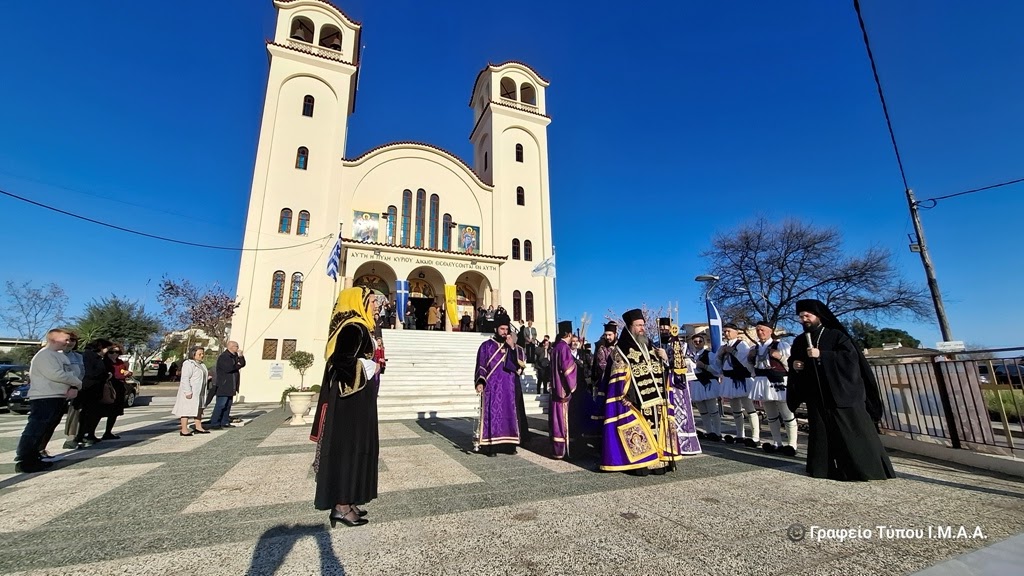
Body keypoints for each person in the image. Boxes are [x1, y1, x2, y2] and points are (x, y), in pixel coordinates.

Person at [788, 299, 895, 481]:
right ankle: (822, 469)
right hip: (817, 394)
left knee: (852, 433)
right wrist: (795, 364)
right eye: (800, 316)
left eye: (807, 315)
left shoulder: (836, 335)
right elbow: (795, 361)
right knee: (821, 434)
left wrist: (823, 355)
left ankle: (862, 470)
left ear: (818, 316)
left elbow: (850, 360)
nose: (804, 319)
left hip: (842, 393)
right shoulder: (800, 340)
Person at [310, 287, 380, 527]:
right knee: (348, 448)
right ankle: (340, 506)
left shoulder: (361, 326)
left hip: (358, 400)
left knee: (358, 446)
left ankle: (349, 500)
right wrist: (366, 367)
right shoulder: (353, 327)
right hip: (350, 403)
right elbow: (340, 361)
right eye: (372, 301)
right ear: (359, 302)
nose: (377, 305)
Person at [600, 309, 681, 475]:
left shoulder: (650, 345)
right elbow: (619, 376)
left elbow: (660, 371)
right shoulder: (620, 349)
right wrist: (628, 396)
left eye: (643, 325)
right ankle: (642, 462)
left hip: (657, 399)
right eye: (638, 325)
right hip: (635, 400)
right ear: (630, 327)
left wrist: (665, 359)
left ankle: (660, 460)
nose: (642, 328)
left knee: (659, 428)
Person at [15, 329, 82, 473]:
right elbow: (57, 374)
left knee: (45, 427)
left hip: (58, 396)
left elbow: (72, 373)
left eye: (70, 340)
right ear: (53, 340)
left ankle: (35, 455)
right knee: (36, 427)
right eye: (65, 339)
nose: (68, 342)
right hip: (44, 397)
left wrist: (74, 383)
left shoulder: (60, 356)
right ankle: (25, 459)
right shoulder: (44, 355)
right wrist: (77, 383)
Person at [473, 310, 522, 456]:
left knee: (509, 414)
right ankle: (491, 446)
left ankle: (508, 445)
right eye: (502, 329)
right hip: (492, 387)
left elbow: (517, 365)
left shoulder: (511, 346)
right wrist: (480, 381)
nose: (504, 332)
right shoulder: (486, 346)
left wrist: (512, 347)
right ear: (495, 329)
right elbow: (481, 365)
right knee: (492, 415)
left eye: (507, 329)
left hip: (508, 386)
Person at [748, 320, 798, 456]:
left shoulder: (781, 345)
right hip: (762, 382)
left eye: (762, 329)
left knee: (787, 414)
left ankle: (792, 444)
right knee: (771, 415)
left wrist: (780, 357)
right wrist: (749, 359)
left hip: (778, 380)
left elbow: (790, 365)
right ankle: (777, 442)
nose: (760, 332)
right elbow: (752, 370)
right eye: (758, 330)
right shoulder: (754, 349)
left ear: (770, 331)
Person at [658, 319, 701, 455]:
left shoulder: (682, 345)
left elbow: (688, 363)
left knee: (680, 412)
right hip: (660, 384)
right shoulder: (654, 345)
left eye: (666, 328)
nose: (664, 330)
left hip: (677, 385)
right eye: (661, 328)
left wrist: (667, 359)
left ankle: (685, 444)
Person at [715, 323, 760, 447]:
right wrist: (721, 354)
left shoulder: (742, 345)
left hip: (742, 379)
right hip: (729, 379)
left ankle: (755, 436)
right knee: (735, 409)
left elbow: (746, 361)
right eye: (724, 332)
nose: (726, 334)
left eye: (729, 331)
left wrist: (733, 352)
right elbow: (718, 364)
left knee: (749, 409)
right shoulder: (723, 347)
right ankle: (740, 434)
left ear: (736, 332)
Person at [74, 338, 114, 447]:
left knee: (94, 413)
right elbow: (91, 372)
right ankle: (82, 435)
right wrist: (106, 375)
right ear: (101, 347)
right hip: (89, 388)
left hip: (96, 388)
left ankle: (89, 434)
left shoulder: (100, 357)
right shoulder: (88, 356)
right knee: (87, 413)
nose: (108, 352)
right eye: (107, 349)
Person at [549, 321, 577, 459]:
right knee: (563, 420)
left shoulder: (555, 348)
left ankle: (557, 449)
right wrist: (573, 386)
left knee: (556, 421)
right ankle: (564, 450)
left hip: (555, 389)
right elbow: (568, 369)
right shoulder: (564, 348)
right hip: (563, 390)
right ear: (569, 334)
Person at [687, 333, 722, 441]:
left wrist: (705, 366)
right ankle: (709, 431)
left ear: (704, 343)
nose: (698, 343)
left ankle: (717, 432)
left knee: (713, 410)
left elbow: (717, 370)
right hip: (696, 383)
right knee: (702, 411)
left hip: (708, 383)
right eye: (695, 342)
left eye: (700, 341)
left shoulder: (710, 354)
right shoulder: (689, 356)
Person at [172, 346, 212, 436]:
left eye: (202, 354)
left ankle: (198, 427)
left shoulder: (202, 364)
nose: (202, 355)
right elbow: (185, 378)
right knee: (185, 410)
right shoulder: (188, 364)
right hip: (190, 392)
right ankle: (184, 429)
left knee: (199, 409)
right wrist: (188, 391)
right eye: (199, 354)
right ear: (193, 354)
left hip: (200, 391)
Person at [210, 342, 246, 429]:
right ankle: (215, 422)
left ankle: (224, 421)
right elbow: (229, 368)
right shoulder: (224, 357)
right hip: (224, 385)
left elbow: (242, 364)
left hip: (232, 385)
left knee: (228, 405)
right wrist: (237, 365)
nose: (238, 348)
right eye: (236, 346)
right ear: (231, 347)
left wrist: (241, 357)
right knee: (221, 404)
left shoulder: (234, 356)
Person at [99, 344, 131, 440]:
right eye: (111, 352)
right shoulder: (105, 362)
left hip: (120, 387)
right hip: (109, 387)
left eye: (117, 352)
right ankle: (89, 432)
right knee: (102, 411)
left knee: (115, 412)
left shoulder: (120, 362)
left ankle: (108, 432)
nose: (114, 354)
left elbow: (123, 373)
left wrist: (128, 373)